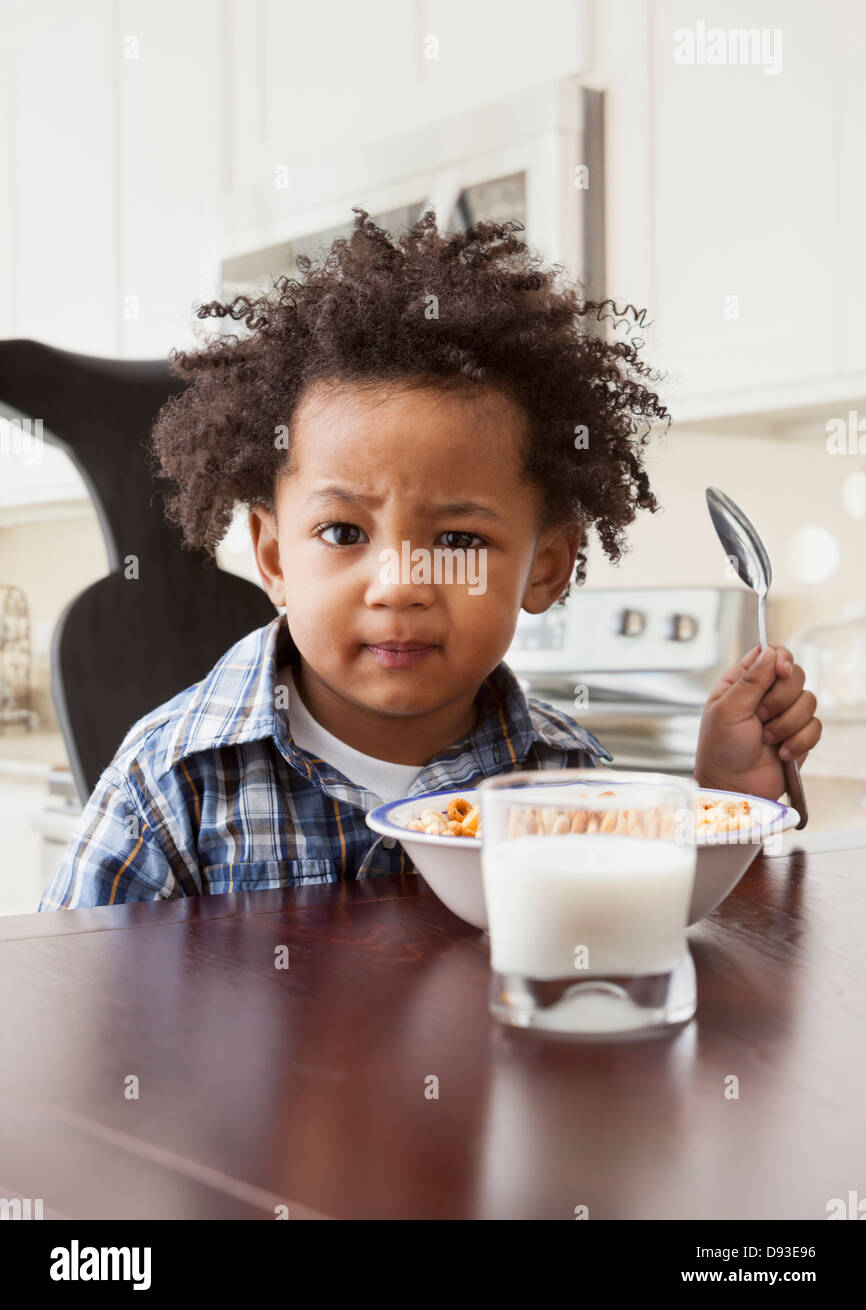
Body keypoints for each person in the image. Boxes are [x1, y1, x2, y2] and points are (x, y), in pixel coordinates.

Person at [39, 208, 821, 909]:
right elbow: (74, 1022)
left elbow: (634, 951)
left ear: (544, 569)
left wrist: (728, 797)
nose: (402, 585)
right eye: (345, 533)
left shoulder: (567, 777)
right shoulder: (171, 783)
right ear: (274, 557)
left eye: (458, 541)